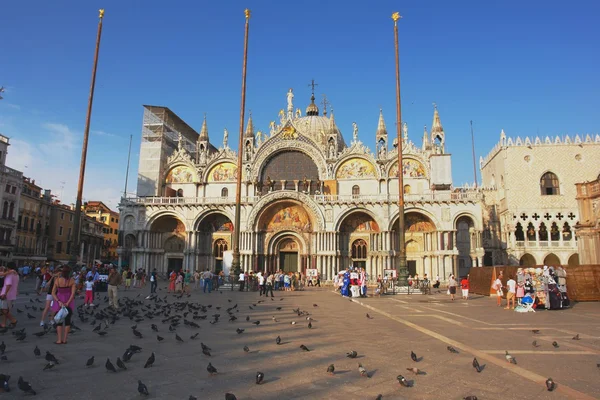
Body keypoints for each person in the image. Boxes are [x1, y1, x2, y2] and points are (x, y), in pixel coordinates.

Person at [51, 265, 76, 344]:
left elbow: (53, 293)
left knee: (59, 321)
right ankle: (65, 339)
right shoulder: (72, 280)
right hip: (69, 301)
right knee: (68, 321)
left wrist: (58, 301)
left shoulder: (57, 280)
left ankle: (59, 340)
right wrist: (67, 303)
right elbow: (73, 294)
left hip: (59, 302)